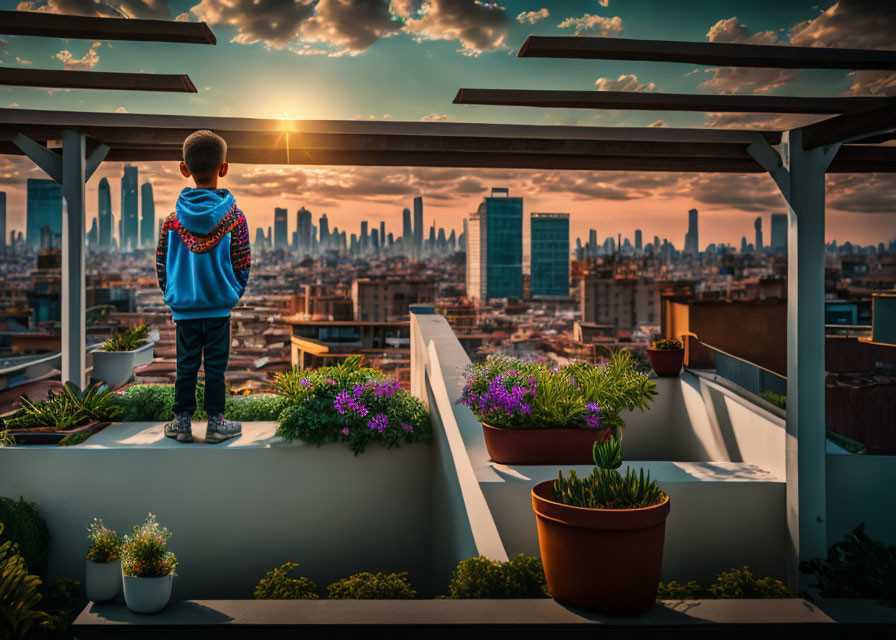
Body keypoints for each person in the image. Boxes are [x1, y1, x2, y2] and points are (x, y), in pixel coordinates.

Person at [156, 130, 251, 443]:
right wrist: (231, 293)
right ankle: (215, 423)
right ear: (223, 168)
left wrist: (174, 295)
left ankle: (181, 422)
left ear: (185, 169)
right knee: (215, 367)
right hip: (218, 307)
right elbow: (242, 262)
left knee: (185, 365)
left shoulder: (171, 221)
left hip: (184, 308)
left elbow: (162, 265)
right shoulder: (235, 218)